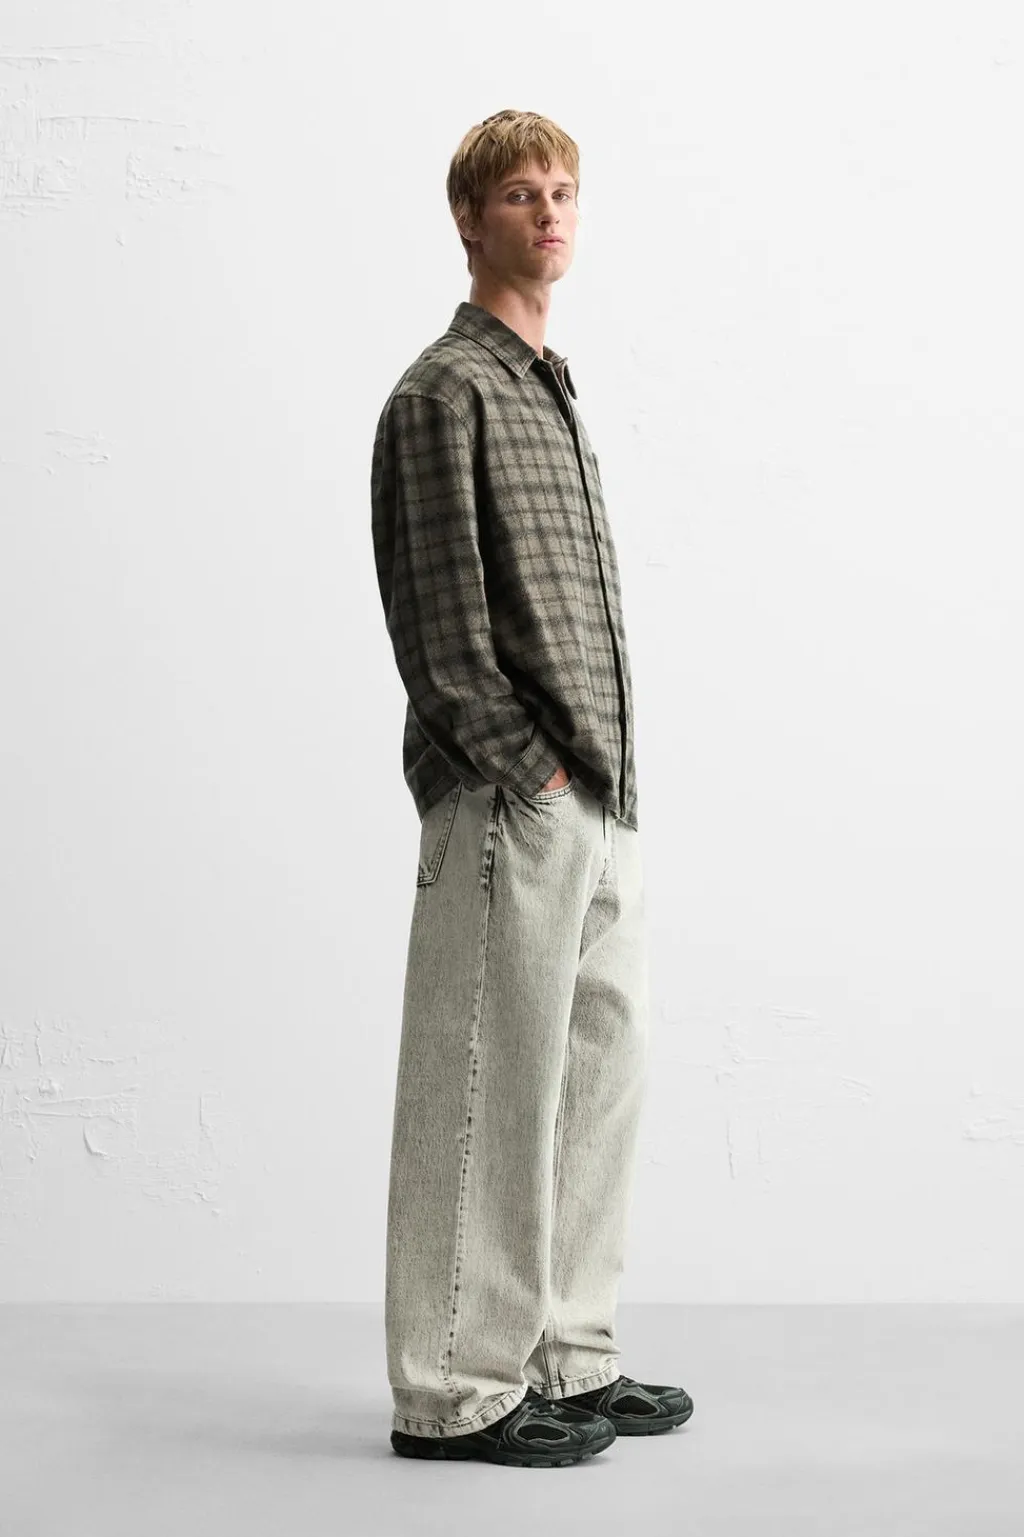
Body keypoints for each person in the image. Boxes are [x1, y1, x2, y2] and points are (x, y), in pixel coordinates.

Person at [370, 109, 693, 1468]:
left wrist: (595, 786)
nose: (548, 210)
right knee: (483, 1085)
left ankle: (567, 1354)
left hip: (598, 799)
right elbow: (441, 626)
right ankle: (454, 1390)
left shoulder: (549, 389)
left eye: (562, 189)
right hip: (516, 796)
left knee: (596, 1078)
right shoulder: (443, 392)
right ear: (469, 219)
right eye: (519, 192)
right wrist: (530, 770)